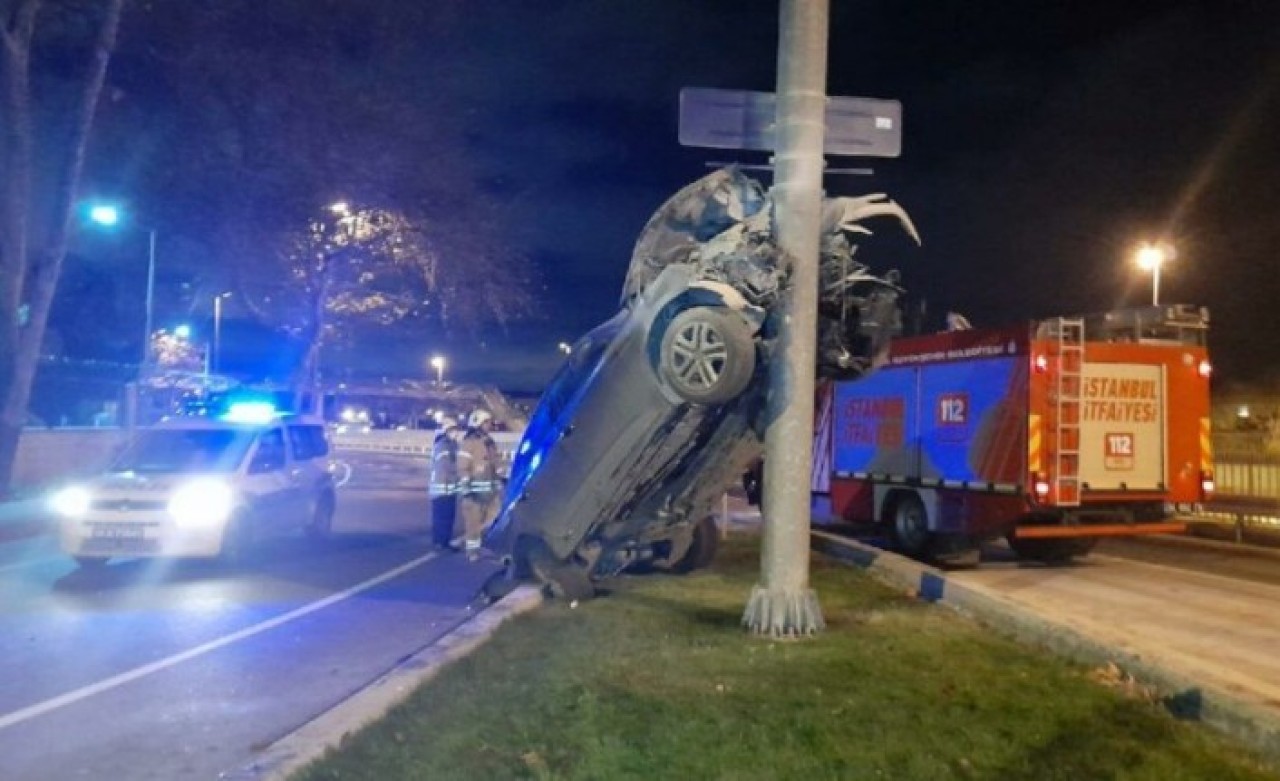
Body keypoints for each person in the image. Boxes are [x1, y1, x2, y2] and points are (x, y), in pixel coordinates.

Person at [457, 409, 501, 561]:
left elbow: (495, 464)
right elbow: (462, 467)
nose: (489, 425)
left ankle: (484, 547)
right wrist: (466, 490)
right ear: (478, 423)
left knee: (493, 519)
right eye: (486, 422)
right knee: (473, 524)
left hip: (490, 491)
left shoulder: (489, 442)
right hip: (474, 494)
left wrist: (499, 481)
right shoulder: (469, 443)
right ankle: (472, 551)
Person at [428, 416, 462, 551]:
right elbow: (446, 466)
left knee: (447, 517)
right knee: (442, 517)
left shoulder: (451, 445)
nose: (456, 433)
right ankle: (441, 542)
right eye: (454, 430)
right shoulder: (442, 446)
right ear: (446, 431)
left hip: (449, 488)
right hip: (442, 489)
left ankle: (443, 541)